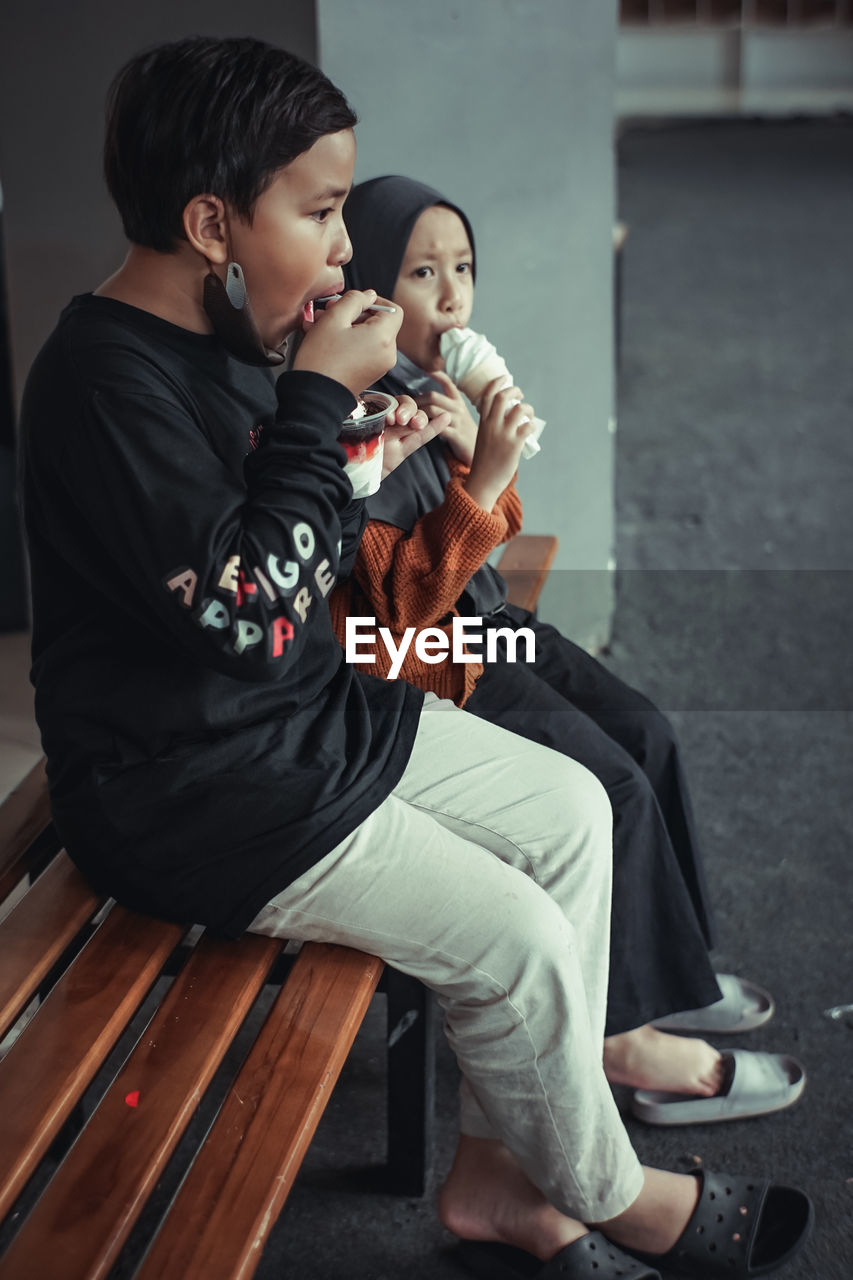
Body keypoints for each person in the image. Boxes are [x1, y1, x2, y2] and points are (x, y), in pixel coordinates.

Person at [19, 38, 811, 1280]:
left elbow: (303, 563)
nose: (345, 250)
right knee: (517, 940)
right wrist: (319, 413)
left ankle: (502, 1177)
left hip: (302, 725)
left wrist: (364, 452)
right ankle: (612, 1189)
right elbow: (251, 615)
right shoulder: (98, 382)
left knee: (573, 809)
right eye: (323, 211)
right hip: (191, 790)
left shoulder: (230, 346)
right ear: (212, 221)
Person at [330, 174, 805, 1125]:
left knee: (648, 731)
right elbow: (401, 614)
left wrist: (479, 459)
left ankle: (667, 969)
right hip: (439, 666)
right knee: (610, 787)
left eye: (463, 269)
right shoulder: (358, 419)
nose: (453, 295)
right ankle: (620, 1042)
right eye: (422, 272)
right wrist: (483, 475)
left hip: (489, 621)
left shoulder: (430, 389)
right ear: (374, 290)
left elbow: (496, 530)